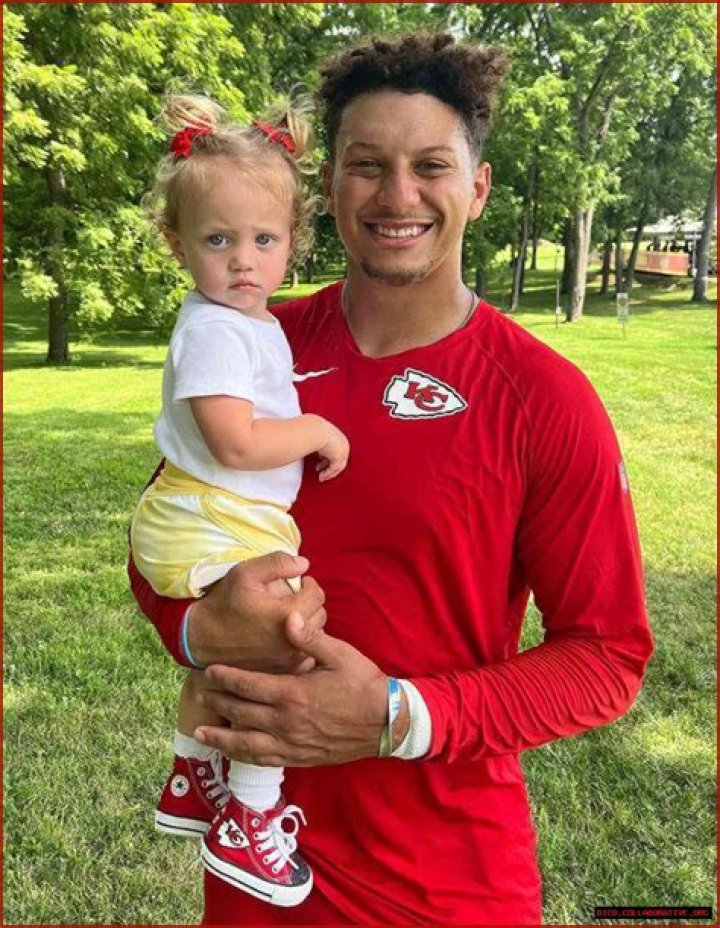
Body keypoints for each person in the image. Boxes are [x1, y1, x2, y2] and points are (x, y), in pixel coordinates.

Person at [129, 32, 654, 925]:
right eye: (367, 165)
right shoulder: (252, 340)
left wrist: (397, 716)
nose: (398, 194)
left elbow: (607, 657)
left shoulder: (544, 398)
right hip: (257, 865)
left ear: (477, 188)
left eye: (431, 166)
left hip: (444, 879)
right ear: (328, 187)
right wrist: (195, 628)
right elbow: (173, 521)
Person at [129, 93, 349, 907]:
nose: (244, 261)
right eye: (218, 240)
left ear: (293, 240)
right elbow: (235, 442)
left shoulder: (247, 320)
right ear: (178, 243)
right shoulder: (218, 328)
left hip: (210, 512)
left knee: (237, 647)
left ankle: (193, 775)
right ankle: (249, 818)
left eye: (264, 239)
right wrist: (316, 428)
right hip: (210, 510)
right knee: (284, 643)